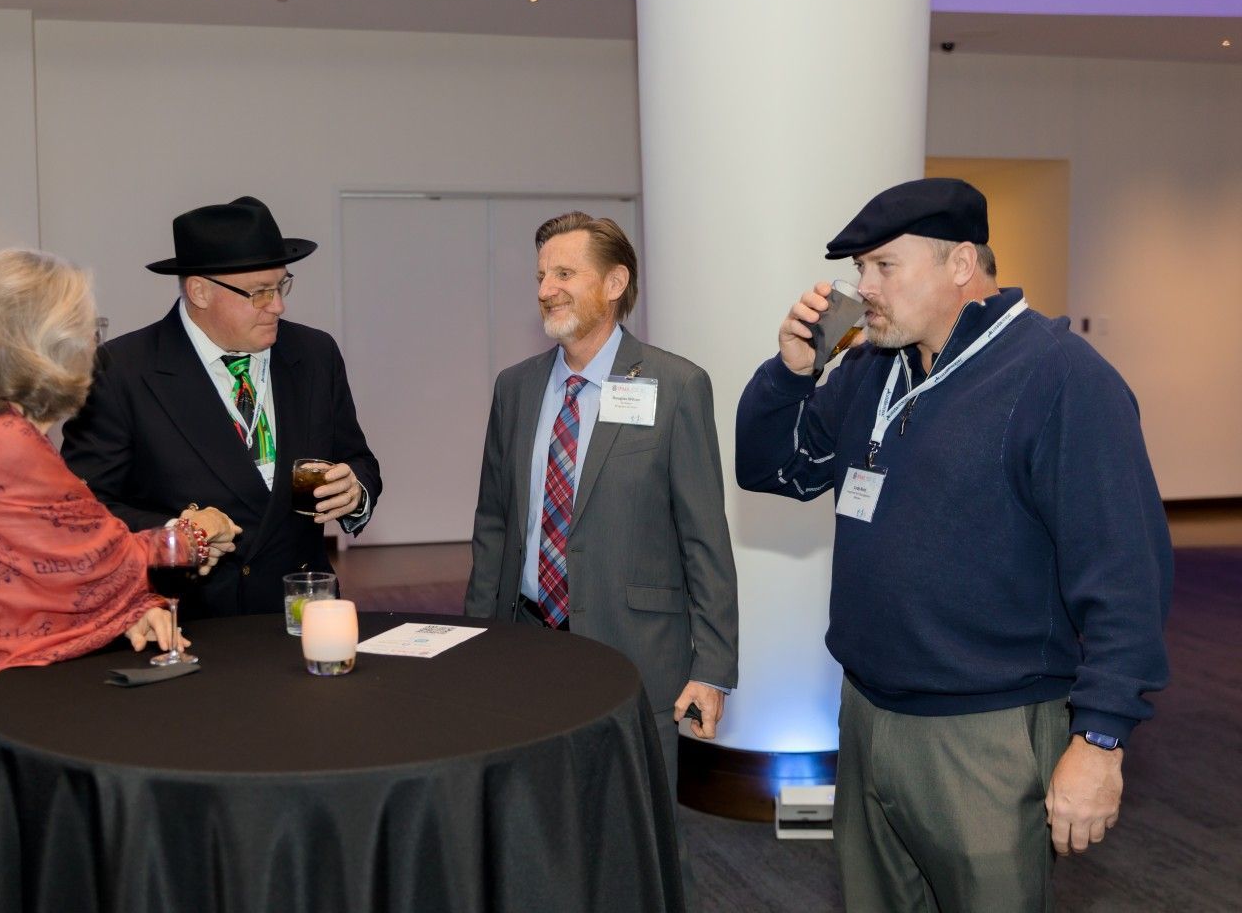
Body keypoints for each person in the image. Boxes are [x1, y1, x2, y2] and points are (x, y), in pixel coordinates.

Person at [736, 178, 1171, 911]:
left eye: (883, 267)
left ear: (961, 264)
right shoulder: (873, 368)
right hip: (868, 714)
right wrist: (790, 372)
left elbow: (1127, 578)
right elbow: (770, 468)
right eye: (859, 270)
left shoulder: (1061, 379)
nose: (862, 289)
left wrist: (1099, 741)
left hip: (986, 737)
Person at [0, 249, 237, 912]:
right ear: (43, 343)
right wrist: (195, 533)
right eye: (89, 326)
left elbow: (58, 561)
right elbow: (95, 563)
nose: (94, 341)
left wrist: (138, 584)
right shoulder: (7, 446)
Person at [464, 211, 739, 824]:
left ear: (615, 283)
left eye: (565, 272)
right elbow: (493, 525)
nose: (545, 289)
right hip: (527, 642)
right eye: (540, 275)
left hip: (636, 649)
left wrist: (713, 669)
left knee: (630, 825)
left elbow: (705, 538)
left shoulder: (676, 384)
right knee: (533, 813)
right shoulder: (516, 387)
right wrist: (477, 641)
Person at [62, 196, 381, 618]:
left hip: (303, 612)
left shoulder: (314, 353)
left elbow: (356, 456)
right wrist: (180, 534)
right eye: (259, 292)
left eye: (282, 285)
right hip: (191, 618)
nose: (278, 306)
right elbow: (84, 509)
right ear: (200, 291)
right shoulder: (123, 371)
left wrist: (355, 491)